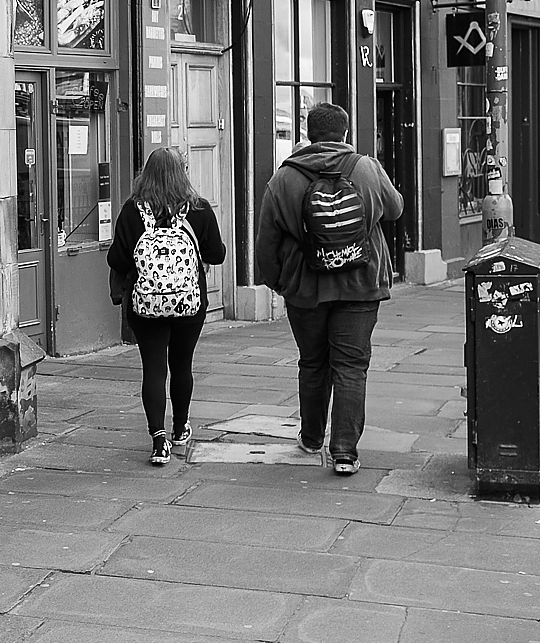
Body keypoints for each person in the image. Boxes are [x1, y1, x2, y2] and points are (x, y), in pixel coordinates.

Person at [255, 102, 403, 475]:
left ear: (308, 134)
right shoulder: (367, 168)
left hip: (305, 288)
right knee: (351, 366)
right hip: (361, 284)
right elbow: (396, 209)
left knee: (313, 363)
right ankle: (344, 453)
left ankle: (311, 436)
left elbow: (266, 242)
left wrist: (279, 282)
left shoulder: (284, 179)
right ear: (345, 133)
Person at [107, 147, 226, 465]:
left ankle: (159, 441)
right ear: (183, 172)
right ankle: (180, 427)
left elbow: (116, 258)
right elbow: (217, 254)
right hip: (189, 302)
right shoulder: (198, 208)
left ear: (146, 173)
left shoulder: (133, 210)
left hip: (145, 303)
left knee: (154, 369)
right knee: (182, 365)